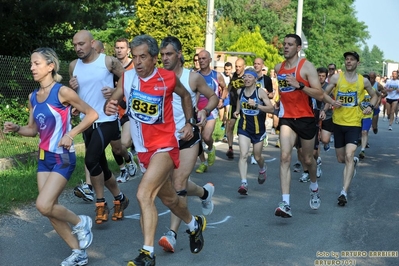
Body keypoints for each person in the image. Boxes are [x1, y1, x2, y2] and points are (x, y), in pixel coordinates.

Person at [104, 34, 206, 265]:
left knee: (143, 194)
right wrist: (109, 104)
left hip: (166, 146)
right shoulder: (127, 78)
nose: (137, 62)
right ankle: (193, 224)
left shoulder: (168, 78)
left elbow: (185, 97)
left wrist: (189, 123)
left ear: (153, 59)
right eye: (134, 57)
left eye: (143, 57)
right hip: (143, 150)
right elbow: (113, 102)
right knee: (169, 199)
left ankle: (147, 253)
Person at [3, 47, 98, 266]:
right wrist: (17, 128)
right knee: (49, 209)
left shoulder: (62, 92)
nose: (32, 67)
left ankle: (80, 221)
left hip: (62, 157)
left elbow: (92, 114)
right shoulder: (33, 97)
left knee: (43, 205)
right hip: (44, 157)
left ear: (50, 66)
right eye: (31, 63)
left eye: (36, 63)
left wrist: (71, 134)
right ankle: (78, 252)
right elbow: (32, 129)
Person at [158, 36, 218, 253]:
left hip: (187, 137)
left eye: (169, 54)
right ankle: (204, 193)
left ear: (179, 54)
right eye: (162, 55)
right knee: (172, 184)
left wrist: (203, 110)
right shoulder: (157, 77)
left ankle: (172, 234)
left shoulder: (192, 78)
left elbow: (213, 97)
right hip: (164, 139)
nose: (164, 58)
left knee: (178, 184)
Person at [69, 30, 130, 224]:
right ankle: (120, 198)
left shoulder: (108, 61)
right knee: (100, 165)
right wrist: (74, 99)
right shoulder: (73, 66)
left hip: (107, 119)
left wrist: (115, 92)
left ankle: (100, 204)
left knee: (90, 159)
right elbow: (78, 95)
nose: (78, 48)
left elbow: (127, 79)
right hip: (87, 122)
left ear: (92, 43)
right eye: (75, 45)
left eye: (82, 44)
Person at [273, 34, 325, 218]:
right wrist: (277, 106)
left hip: (306, 118)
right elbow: (283, 93)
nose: (286, 47)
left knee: (308, 159)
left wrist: (300, 86)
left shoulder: (307, 67)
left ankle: (314, 187)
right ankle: (285, 203)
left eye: (290, 44)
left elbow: (319, 95)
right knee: (285, 157)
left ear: (298, 47)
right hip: (287, 118)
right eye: (284, 44)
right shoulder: (278, 67)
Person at [324, 51, 377, 206]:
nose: (348, 62)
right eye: (346, 59)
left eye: (352, 59)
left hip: (354, 124)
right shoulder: (336, 78)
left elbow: (374, 96)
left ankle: (343, 192)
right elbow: (323, 94)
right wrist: (332, 102)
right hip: (338, 123)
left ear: (357, 63)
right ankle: (352, 162)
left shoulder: (363, 81)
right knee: (341, 159)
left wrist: (370, 106)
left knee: (348, 155)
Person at [233, 67, 274, 195]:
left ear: (255, 79)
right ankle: (244, 183)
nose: (246, 79)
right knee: (243, 154)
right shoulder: (240, 91)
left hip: (258, 129)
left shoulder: (260, 92)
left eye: (250, 77)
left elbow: (271, 109)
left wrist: (256, 105)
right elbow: (240, 102)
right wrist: (237, 111)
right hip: (244, 128)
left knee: (257, 156)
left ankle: (262, 168)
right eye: (245, 76)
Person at [195, 50, 226, 173]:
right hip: (198, 110)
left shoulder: (216, 75)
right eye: (199, 59)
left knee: (206, 136)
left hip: (211, 110)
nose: (201, 61)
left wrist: (222, 99)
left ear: (209, 60)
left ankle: (211, 148)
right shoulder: (195, 76)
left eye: (203, 58)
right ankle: (203, 163)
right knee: (197, 139)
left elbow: (225, 88)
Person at [112, 37, 137, 183]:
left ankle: (128, 158)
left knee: (124, 144)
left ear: (128, 50)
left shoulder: (133, 67)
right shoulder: (110, 67)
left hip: (128, 110)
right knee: (114, 146)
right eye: (117, 47)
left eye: (122, 48)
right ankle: (123, 169)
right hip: (113, 110)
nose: (119, 50)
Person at [226, 58, 246, 159]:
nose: (237, 68)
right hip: (234, 104)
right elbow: (229, 86)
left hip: (244, 106)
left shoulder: (247, 77)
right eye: (236, 66)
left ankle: (246, 151)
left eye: (239, 66)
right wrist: (223, 96)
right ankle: (230, 148)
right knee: (230, 125)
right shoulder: (233, 75)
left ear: (244, 67)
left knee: (244, 129)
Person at [318, 67, 334, 153]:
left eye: (323, 76)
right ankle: (317, 159)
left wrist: (324, 110)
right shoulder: (312, 85)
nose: (320, 77)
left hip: (327, 115)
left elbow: (328, 101)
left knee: (324, 139)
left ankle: (326, 143)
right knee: (315, 139)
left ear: (326, 77)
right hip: (314, 115)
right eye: (319, 75)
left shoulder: (328, 87)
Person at [220, 61, 233, 141]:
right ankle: (223, 123)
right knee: (221, 117)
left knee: (227, 115)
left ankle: (225, 135)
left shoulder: (232, 77)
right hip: (221, 98)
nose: (227, 71)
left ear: (231, 69)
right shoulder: (221, 76)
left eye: (229, 69)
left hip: (228, 99)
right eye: (226, 69)